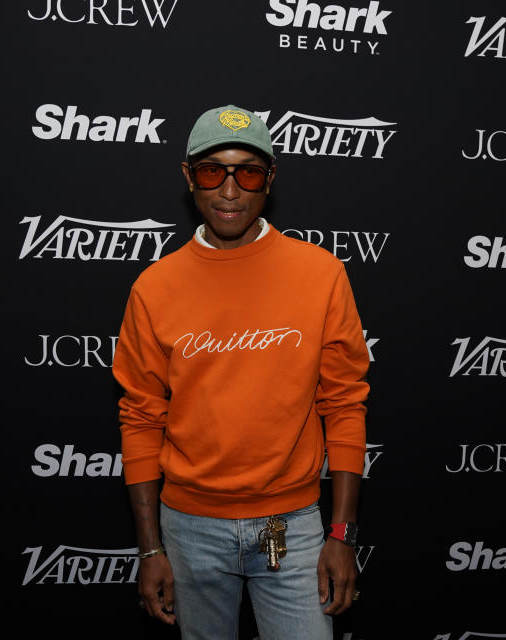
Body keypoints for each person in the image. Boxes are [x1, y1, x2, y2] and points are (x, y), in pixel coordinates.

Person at [113, 104, 370, 640]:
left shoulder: (321, 274)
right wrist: (150, 549)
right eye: (213, 170)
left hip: (293, 526)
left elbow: (344, 404)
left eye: (248, 171)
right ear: (189, 178)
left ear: (269, 180)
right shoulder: (154, 287)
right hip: (187, 530)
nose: (230, 190)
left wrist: (342, 535)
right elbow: (140, 418)